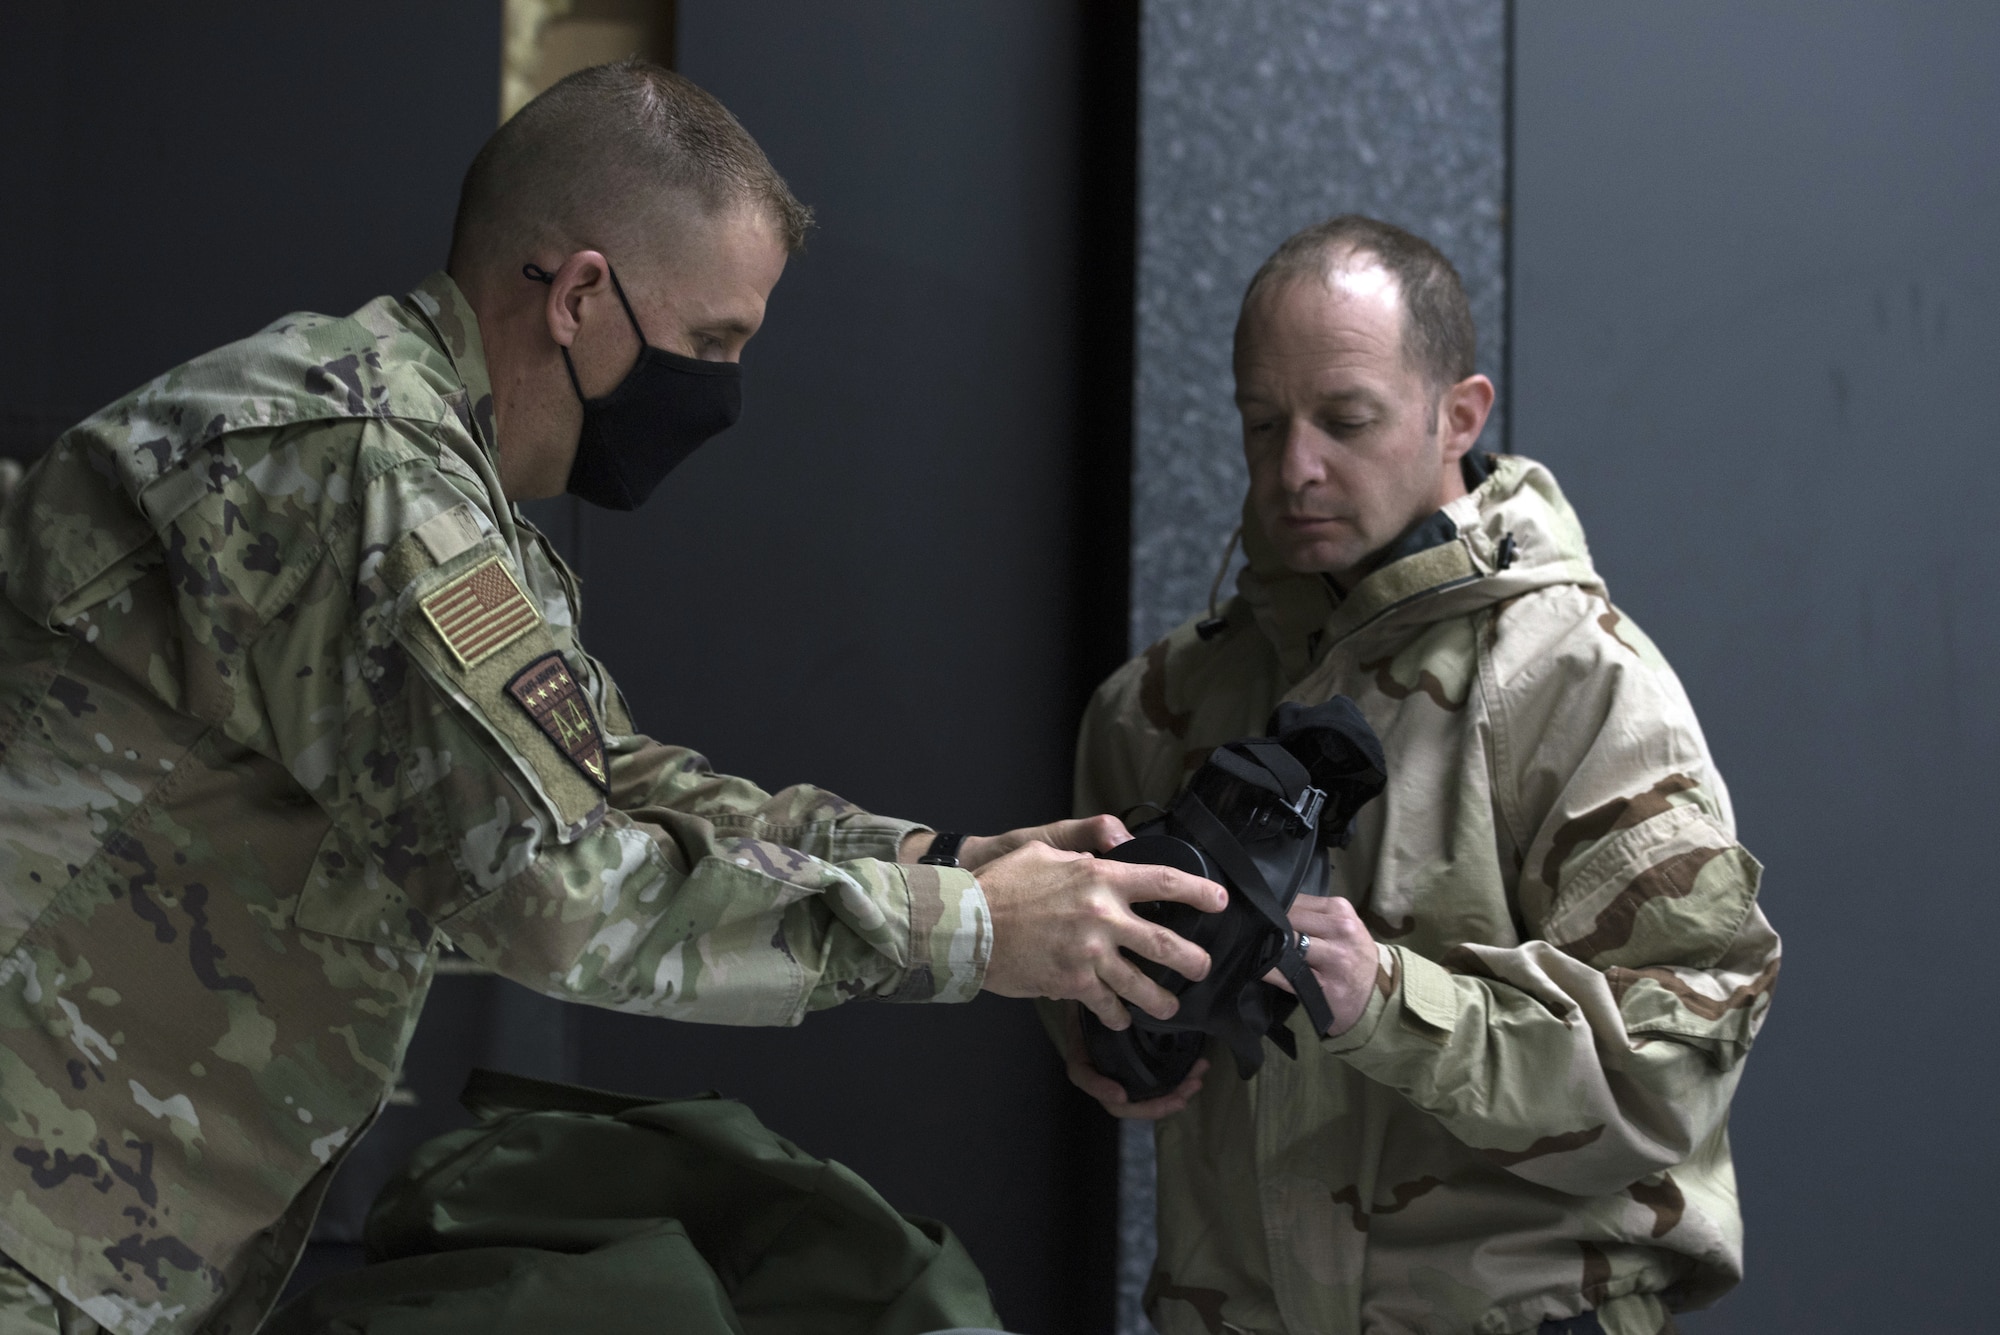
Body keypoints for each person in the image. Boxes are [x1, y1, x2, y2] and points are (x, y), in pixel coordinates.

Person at [0, 61, 1225, 1335]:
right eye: (711, 344)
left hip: (93, 1215)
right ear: (582, 293)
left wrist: (946, 857)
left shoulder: (443, 486)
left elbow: (616, 777)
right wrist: (965, 929)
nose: (722, 393)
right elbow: (551, 887)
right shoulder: (367, 475)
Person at [1060, 216, 1780, 1335]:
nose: (1294, 467)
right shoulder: (1154, 709)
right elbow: (1087, 980)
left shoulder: (1577, 688)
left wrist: (1387, 1003)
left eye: (1345, 421)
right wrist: (1095, 1027)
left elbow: (1668, 1075)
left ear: (1459, 415)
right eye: (1262, 424)